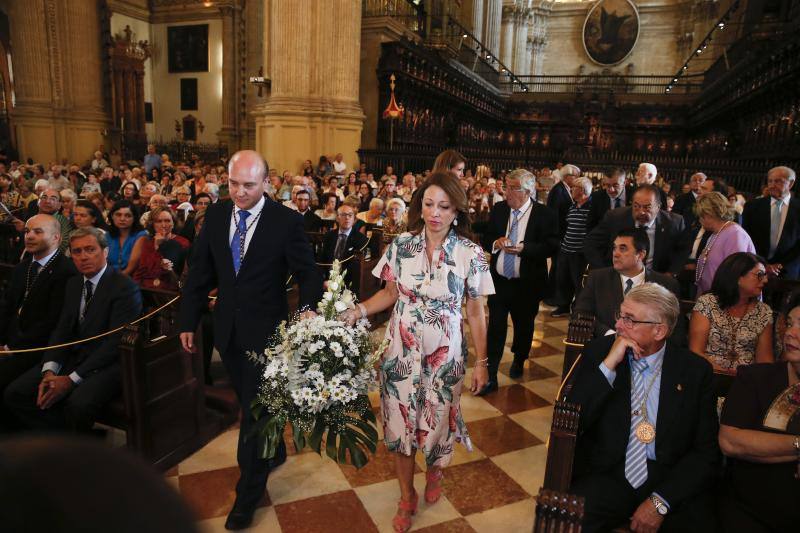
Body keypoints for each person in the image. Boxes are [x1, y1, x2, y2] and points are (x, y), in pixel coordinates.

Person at [339, 171, 493, 533]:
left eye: (444, 206)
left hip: (445, 355)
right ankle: (406, 496)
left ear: (457, 210)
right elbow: (389, 294)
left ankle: (435, 470)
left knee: (437, 424)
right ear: (419, 206)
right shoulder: (401, 245)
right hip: (400, 352)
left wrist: (482, 363)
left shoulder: (471, 253)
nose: (435, 213)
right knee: (399, 424)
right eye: (428, 204)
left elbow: (476, 312)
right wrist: (358, 311)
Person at [178, 150, 323, 531]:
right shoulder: (216, 215)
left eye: (248, 185)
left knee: (255, 415)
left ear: (266, 183)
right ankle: (272, 451)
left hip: (268, 334)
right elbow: (200, 272)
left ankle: (248, 493)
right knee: (250, 401)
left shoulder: (286, 221)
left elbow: (308, 273)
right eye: (233, 184)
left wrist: (307, 308)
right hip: (227, 330)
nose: (240, 192)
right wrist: (188, 320)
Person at [567, 283, 720, 532]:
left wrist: (661, 502)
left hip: (668, 478)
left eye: (629, 319)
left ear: (659, 330)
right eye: (620, 315)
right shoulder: (600, 352)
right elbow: (573, 419)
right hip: (610, 472)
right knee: (565, 519)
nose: (618, 325)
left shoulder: (694, 372)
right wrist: (609, 365)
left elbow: (706, 452)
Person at [4, 227, 142, 432]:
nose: (83, 256)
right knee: (16, 393)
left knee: (78, 405)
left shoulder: (124, 287)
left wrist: (71, 379)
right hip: (73, 357)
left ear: (105, 252)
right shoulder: (74, 283)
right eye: (77, 251)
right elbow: (62, 330)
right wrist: (50, 370)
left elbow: (114, 343)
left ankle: (71, 446)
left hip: (108, 364)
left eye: (90, 249)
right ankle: (59, 440)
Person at [717, 291, 800, 532]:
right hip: (750, 511)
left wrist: (771, 447)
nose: (791, 333)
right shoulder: (755, 378)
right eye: (790, 324)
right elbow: (730, 441)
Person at [480, 168, 559, 393]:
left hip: (527, 284)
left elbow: (552, 245)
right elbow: (486, 237)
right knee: (495, 327)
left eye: (513, 188)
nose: (507, 192)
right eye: (507, 187)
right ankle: (491, 375)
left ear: (528, 191)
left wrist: (525, 249)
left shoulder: (545, 214)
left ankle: (519, 358)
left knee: (524, 326)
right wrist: (496, 242)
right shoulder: (499, 209)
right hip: (500, 281)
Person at [0, 215, 76, 417]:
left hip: (39, 349)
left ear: (56, 238)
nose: (29, 236)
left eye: (37, 231)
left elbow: (52, 322)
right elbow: (7, 308)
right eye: (27, 231)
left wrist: (11, 348)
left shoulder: (67, 271)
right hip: (12, 344)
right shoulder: (22, 268)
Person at [575, 229, 682, 339]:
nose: (615, 254)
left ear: (640, 255)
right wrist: (611, 335)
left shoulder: (666, 284)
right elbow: (581, 315)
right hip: (606, 344)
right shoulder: (598, 278)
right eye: (614, 248)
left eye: (623, 249)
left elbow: (675, 328)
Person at [689, 252, 774, 374]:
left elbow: (765, 361)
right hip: (709, 374)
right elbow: (696, 351)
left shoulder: (763, 312)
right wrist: (726, 374)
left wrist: (745, 379)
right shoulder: (707, 303)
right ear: (738, 277)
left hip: (746, 380)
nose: (765, 280)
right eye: (759, 275)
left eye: (765, 275)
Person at [584, 184, 687, 275]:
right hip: (619, 276)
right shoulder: (615, 218)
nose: (641, 212)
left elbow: (683, 250)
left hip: (656, 278)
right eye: (636, 206)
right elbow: (591, 243)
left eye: (647, 207)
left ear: (658, 207)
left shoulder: (674, 223)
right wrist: (604, 271)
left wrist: (671, 273)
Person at [742, 166, 800, 279]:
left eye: (778, 181)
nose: (772, 185)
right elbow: (746, 237)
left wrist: (781, 265)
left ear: (791, 183)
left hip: (788, 272)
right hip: (755, 268)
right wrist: (763, 264)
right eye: (770, 181)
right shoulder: (752, 206)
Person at [693, 192, 756, 295]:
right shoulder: (715, 233)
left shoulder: (735, 234)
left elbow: (735, 274)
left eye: (701, 216)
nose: (699, 220)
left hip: (724, 299)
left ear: (709, 214)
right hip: (708, 298)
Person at [551, 176, 594, 317]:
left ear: (582, 190)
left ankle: (578, 309)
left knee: (578, 283)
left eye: (574, 187)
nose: (571, 189)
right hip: (565, 249)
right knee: (562, 280)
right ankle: (563, 306)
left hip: (579, 253)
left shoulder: (591, 208)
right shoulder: (573, 206)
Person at [131, 207, 190, 290]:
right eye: (159, 221)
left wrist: (159, 247)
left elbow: (179, 275)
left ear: (173, 223)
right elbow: (140, 271)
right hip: (144, 288)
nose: (163, 225)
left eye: (167, 221)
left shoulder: (182, 242)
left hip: (168, 290)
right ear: (152, 224)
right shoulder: (145, 242)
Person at [320, 204, 369, 293]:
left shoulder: (361, 239)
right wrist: (323, 280)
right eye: (343, 215)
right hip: (327, 279)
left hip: (348, 283)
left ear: (354, 219)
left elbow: (356, 268)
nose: (347, 218)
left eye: (350, 215)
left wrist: (338, 283)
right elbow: (322, 260)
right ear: (337, 218)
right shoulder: (329, 236)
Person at [106, 200, 147, 276]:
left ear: (134, 218)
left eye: (128, 216)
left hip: (130, 278)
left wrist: (112, 280)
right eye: (118, 215)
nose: (122, 219)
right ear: (112, 216)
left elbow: (130, 269)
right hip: (109, 275)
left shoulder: (141, 235)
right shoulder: (107, 235)